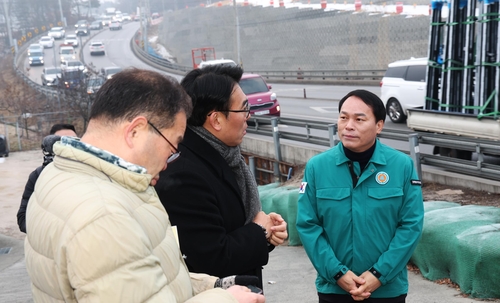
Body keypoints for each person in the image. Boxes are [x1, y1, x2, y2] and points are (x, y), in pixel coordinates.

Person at [24, 69, 265, 303]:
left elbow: (143, 279)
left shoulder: (58, 176)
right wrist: (223, 299)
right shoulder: (104, 215)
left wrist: (212, 286)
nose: (172, 157)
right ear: (136, 131)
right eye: (173, 144)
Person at [155, 65, 288, 289]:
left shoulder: (225, 157)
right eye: (243, 109)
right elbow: (210, 258)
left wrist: (266, 235)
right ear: (216, 120)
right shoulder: (185, 175)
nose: (249, 116)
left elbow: (232, 227)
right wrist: (258, 231)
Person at [296, 89, 424, 303]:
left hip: (387, 290)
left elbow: (411, 225)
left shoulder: (401, 166)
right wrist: (338, 274)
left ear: (379, 125)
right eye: (343, 117)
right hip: (334, 289)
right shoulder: (317, 167)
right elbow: (308, 225)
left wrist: (378, 274)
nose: (348, 126)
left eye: (359, 119)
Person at [17, 123, 77, 233]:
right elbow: (23, 219)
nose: (69, 146)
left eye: (74, 141)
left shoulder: (91, 174)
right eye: (62, 142)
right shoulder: (38, 175)